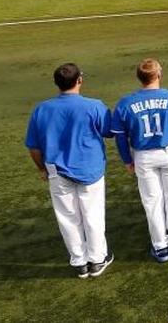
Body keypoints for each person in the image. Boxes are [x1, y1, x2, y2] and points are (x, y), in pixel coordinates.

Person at [26, 63, 115, 278]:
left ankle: (79, 262)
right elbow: (109, 131)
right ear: (79, 80)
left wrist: (41, 169)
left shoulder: (41, 109)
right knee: (92, 215)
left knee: (68, 217)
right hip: (89, 169)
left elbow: (34, 147)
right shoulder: (94, 106)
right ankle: (97, 259)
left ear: (56, 83)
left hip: (56, 171)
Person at [113, 58, 168, 261]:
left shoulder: (125, 103)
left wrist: (127, 160)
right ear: (159, 75)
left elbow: (119, 134)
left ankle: (160, 247)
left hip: (142, 156)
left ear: (139, 77)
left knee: (152, 202)